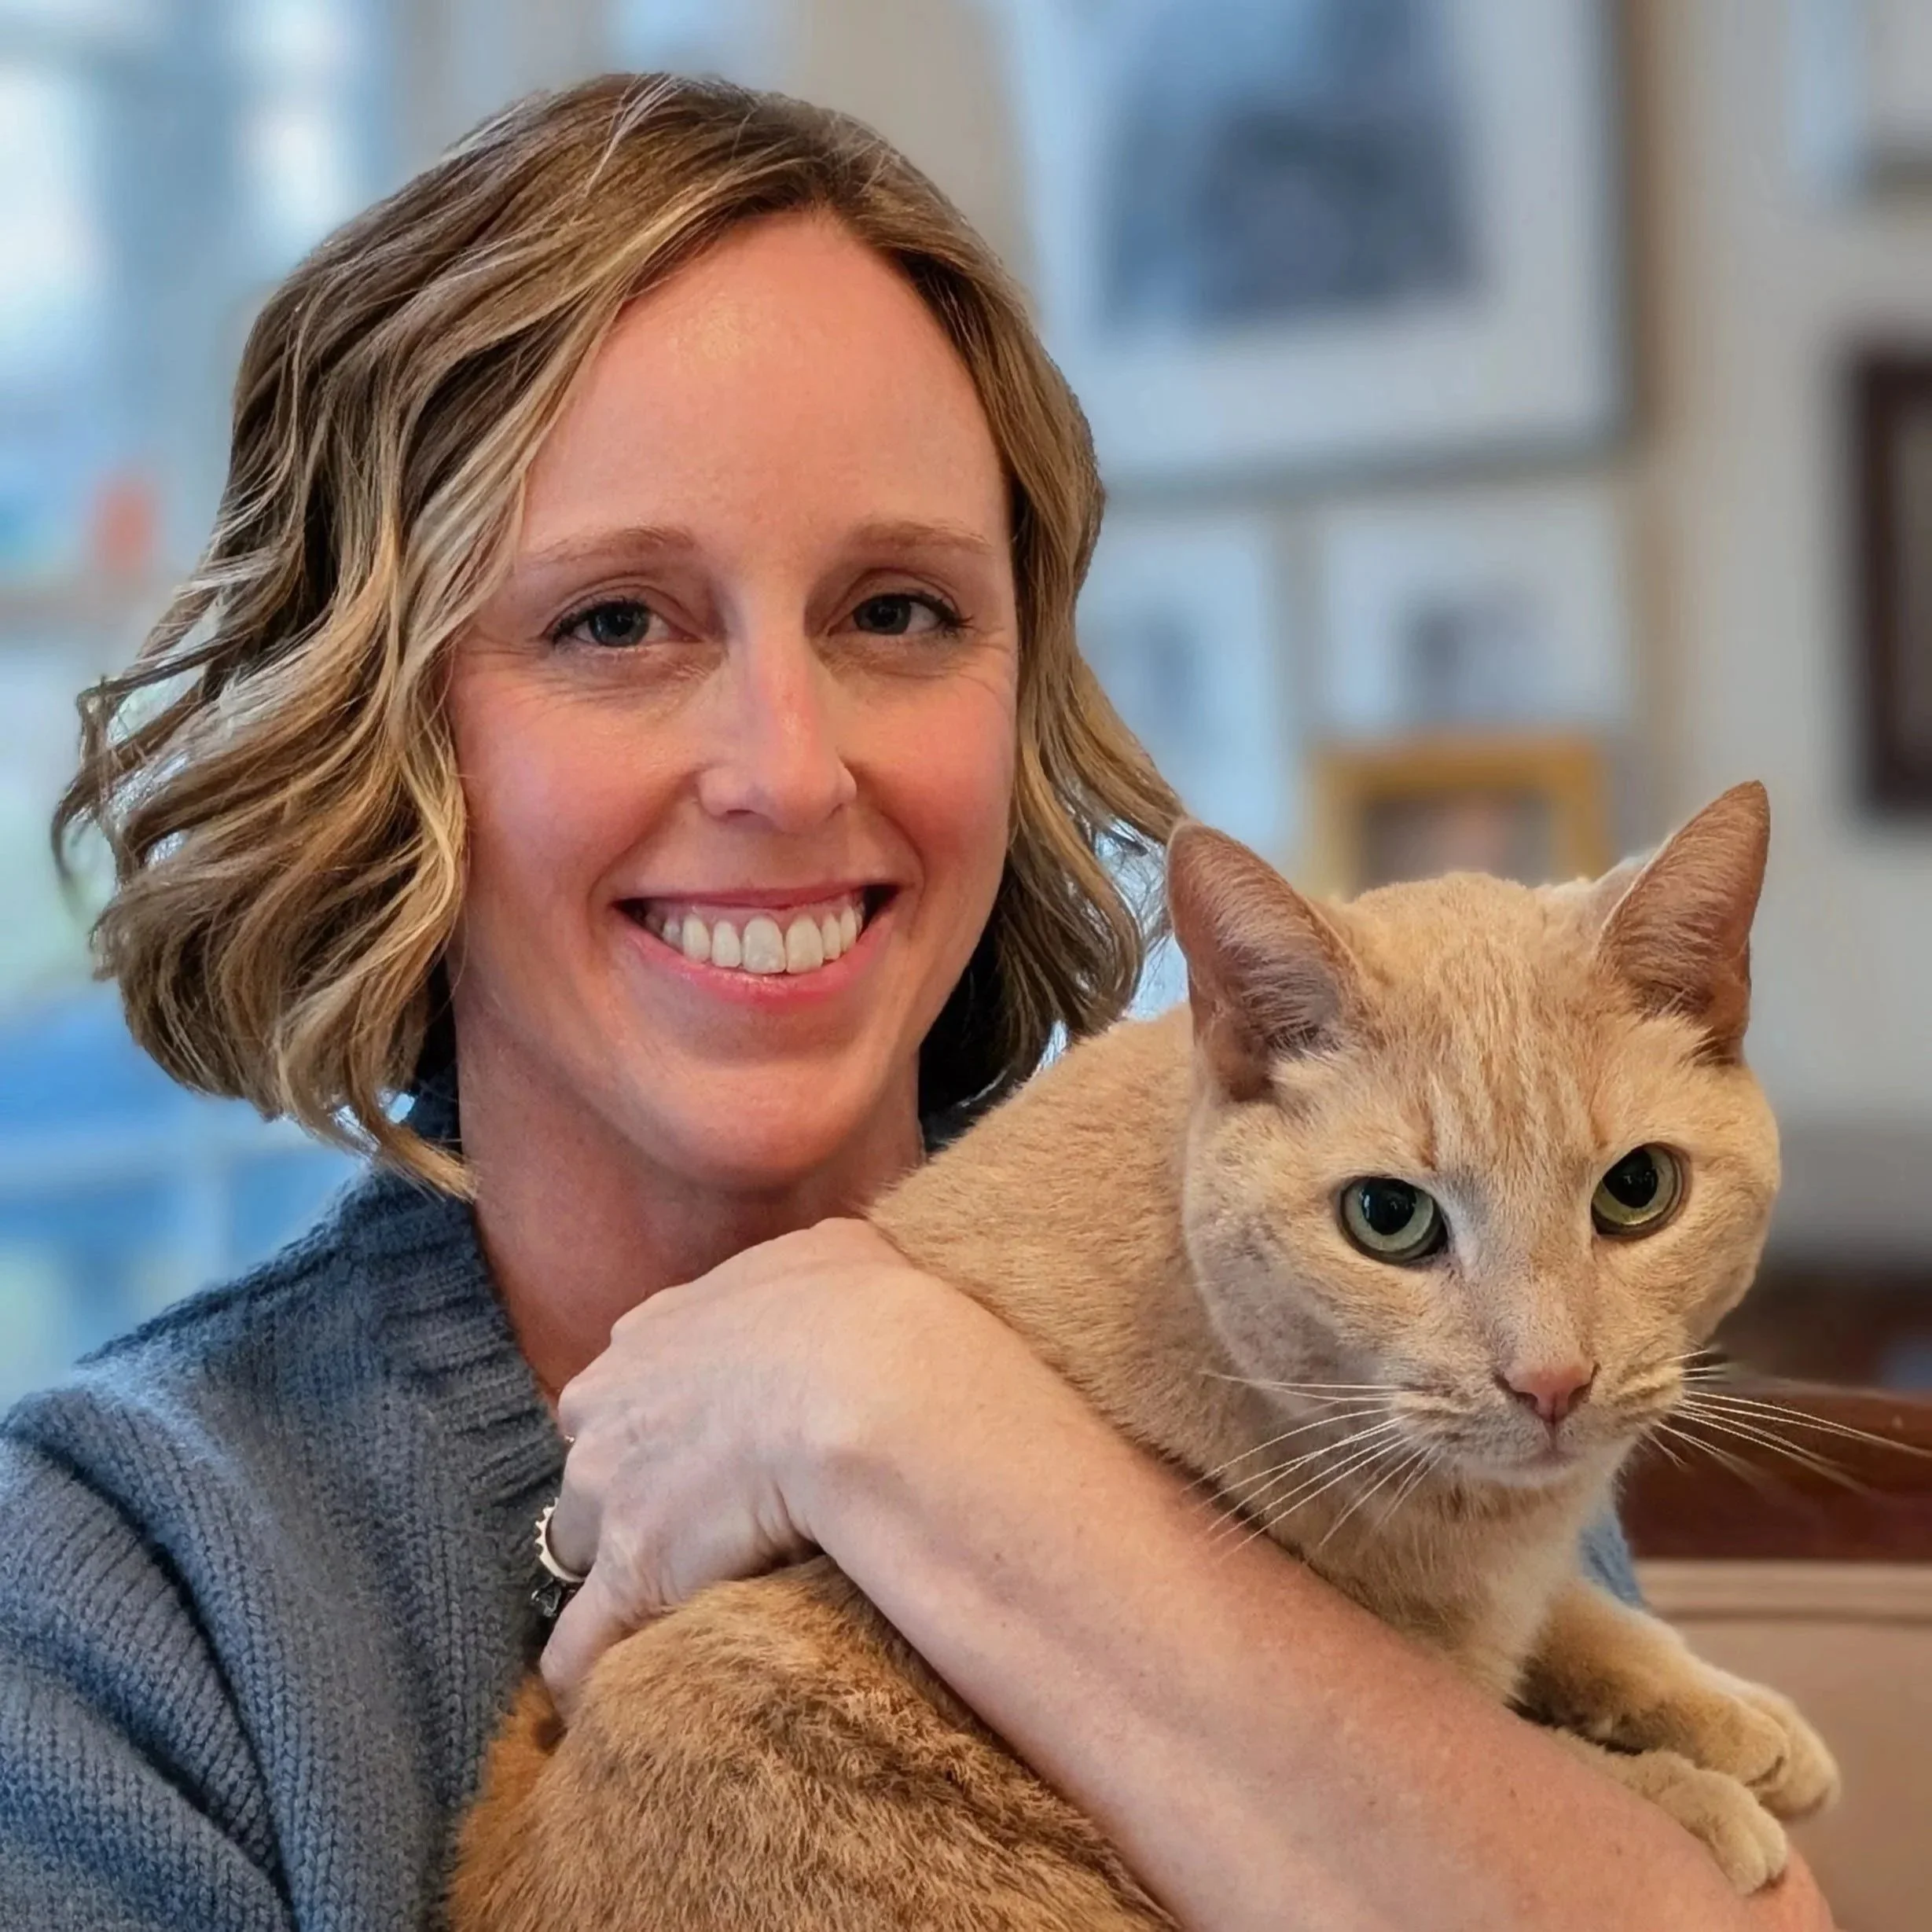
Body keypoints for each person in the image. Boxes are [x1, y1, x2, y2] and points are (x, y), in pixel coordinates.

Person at [2, 73, 1831, 1932]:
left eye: (895, 612)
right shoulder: (117, 1578)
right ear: (375, 727)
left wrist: (912, 1422)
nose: (785, 771)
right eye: (614, 622)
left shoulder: (1378, 1340)